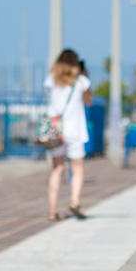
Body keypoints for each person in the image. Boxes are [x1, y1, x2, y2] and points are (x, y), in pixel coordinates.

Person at [44, 49, 93, 221]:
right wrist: (86, 76)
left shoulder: (51, 80)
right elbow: (89, 102)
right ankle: (74, 202)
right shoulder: (81, 82)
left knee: (57, 169)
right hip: (75, 131)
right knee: (77, 169)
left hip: (56, 130)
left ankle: (52, 210)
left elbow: (50, 102)